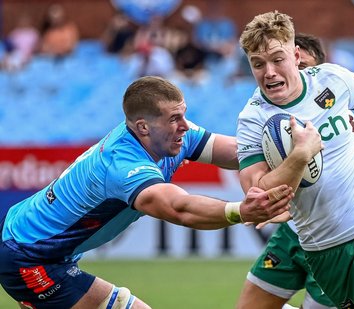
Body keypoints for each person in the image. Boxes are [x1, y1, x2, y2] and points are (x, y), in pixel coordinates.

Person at [0, 76, 293, 309]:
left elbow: (239, 152)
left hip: (35, 243)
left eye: (184, 115)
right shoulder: (122, 164)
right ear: (143, 127)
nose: (184, 127)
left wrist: (291, 152)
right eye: (174, 119)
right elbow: (179, 208)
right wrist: (240, 211)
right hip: (30, 257)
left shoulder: (168, 136)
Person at [236, 11, 354, 309]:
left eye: (277, 60)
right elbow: (256, 191)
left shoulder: (331, 79)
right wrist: (301, 155)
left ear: (295, 55)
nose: (269, 72)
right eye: (258, 64)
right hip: (324, 249)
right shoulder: (252, 119)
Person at [237, 33, 340, 309]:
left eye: (305, 69)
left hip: (334, 238)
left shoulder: (340, 120)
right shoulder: (267, 120)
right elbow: (252, 173)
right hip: (291, 234)